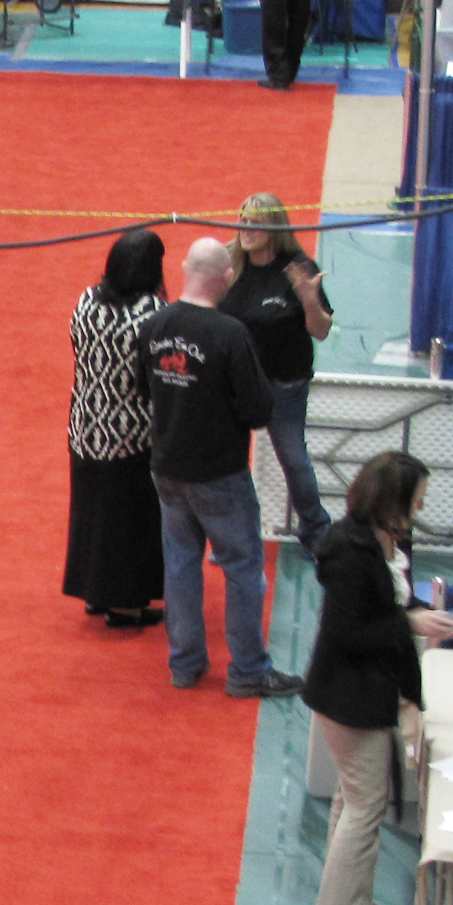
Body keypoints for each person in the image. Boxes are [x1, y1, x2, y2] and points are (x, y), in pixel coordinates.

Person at [301, 453, 453, 905]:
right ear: (393, 502)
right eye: (414, 501)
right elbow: (349, 632)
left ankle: (350, 903)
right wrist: (410, 624)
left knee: (354, 801)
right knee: (365, 807)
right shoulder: (351, 553)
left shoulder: (384, 542)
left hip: (361, 693)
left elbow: (389, 606)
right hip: (349, 698)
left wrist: (417, 616)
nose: (419, 509)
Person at [143, 238, 301, 698]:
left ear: (186, 268)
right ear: (226, 278)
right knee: (243, 568)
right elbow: (256, 409)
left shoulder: (153, 325)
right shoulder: (231, 334)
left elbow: (143, 388)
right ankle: (249, 669)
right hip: (219, 472)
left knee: (181, 565)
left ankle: (186, 663)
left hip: (168, 466)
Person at [220, 192, 335, 553]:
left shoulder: (298, 267)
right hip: (235, 382)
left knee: (294, 460)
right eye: (243, 220)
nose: (246, 229)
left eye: (255, 223)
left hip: (284, 384)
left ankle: (316, 532)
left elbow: (320, 330)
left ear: (274, 227)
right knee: (227, 460)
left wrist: (308, 299)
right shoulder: (228, 261)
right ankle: (232, 533)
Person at [64, 229, 167, 629]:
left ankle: (96, 593)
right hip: (130, 432)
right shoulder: (151, 312)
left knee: (91, 515)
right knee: (130, 522)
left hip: (85, 423)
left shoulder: (88, 299)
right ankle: (125, 604)